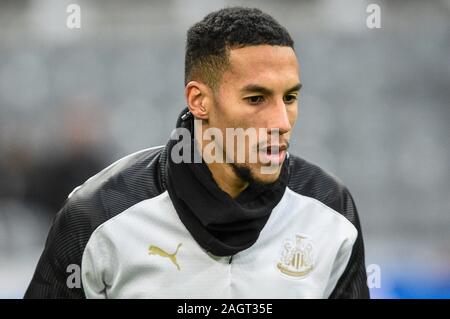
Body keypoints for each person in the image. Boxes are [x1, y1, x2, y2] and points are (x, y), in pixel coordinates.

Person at [25, 7, 369, 299]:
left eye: (290, 98)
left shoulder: (331, 211)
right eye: (255, 99)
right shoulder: (98, 215)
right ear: (199, 101)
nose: (281, 122)